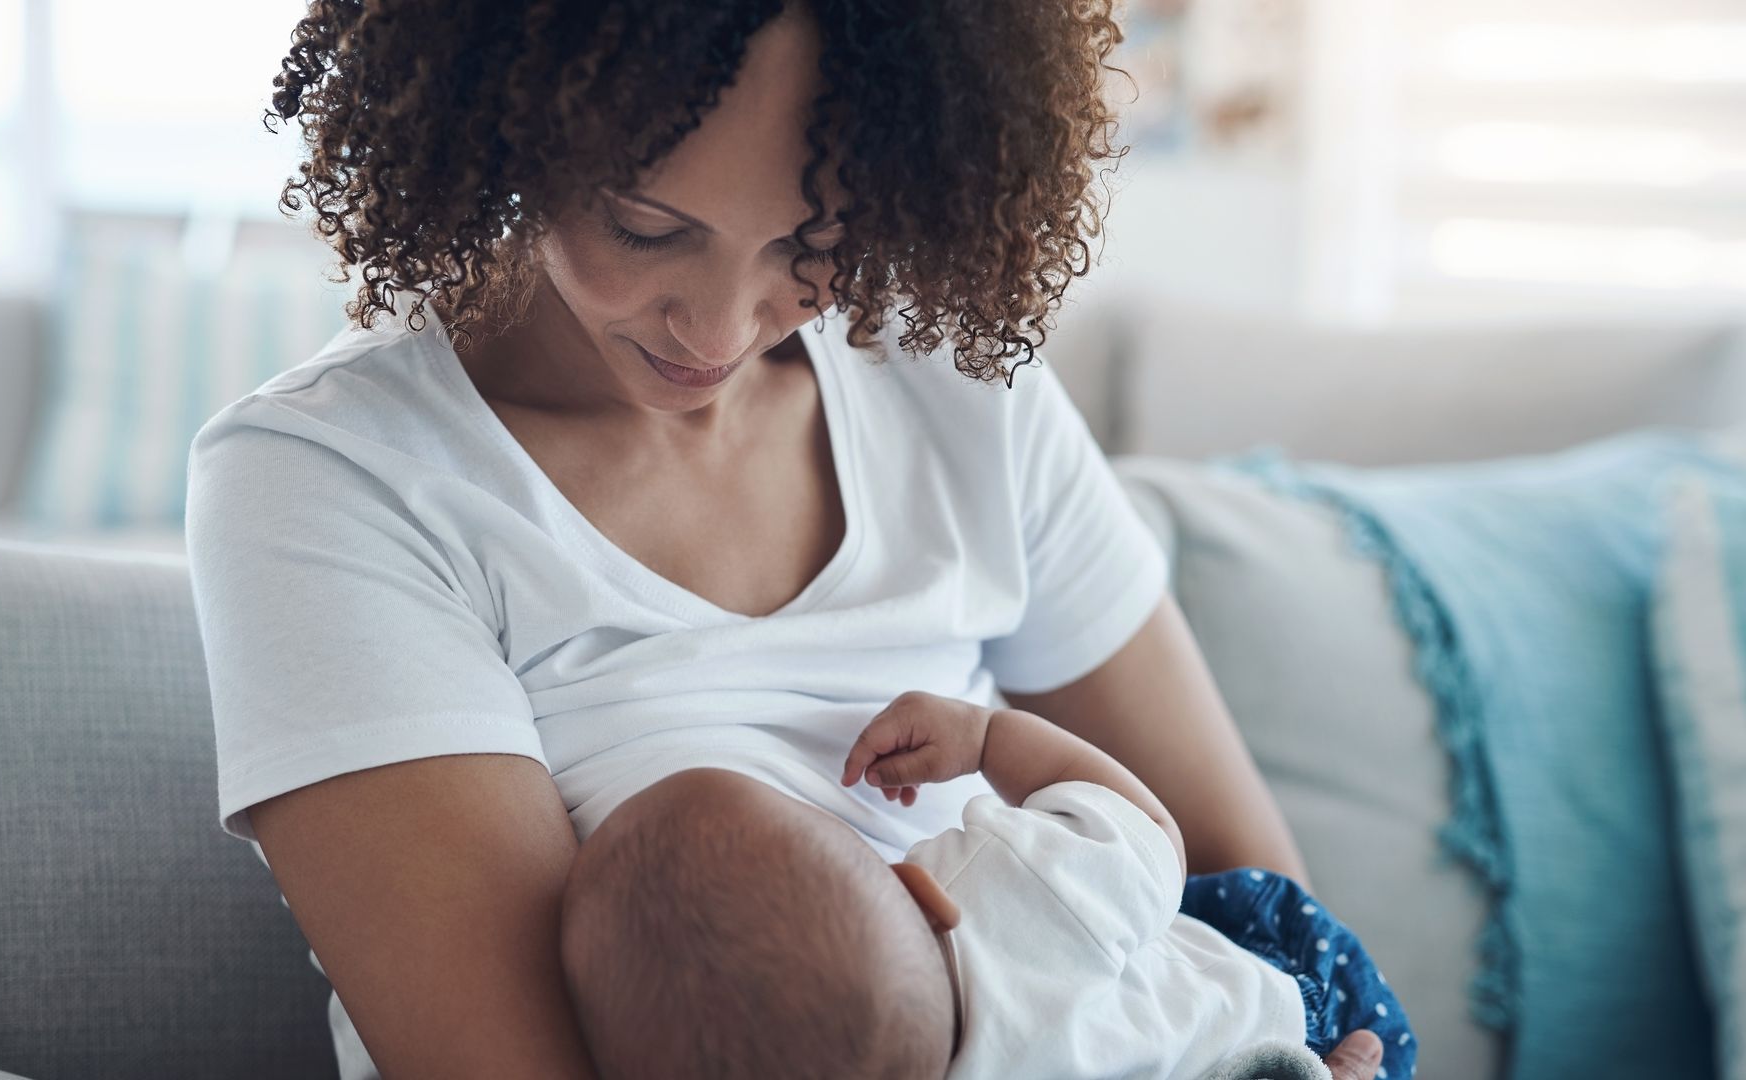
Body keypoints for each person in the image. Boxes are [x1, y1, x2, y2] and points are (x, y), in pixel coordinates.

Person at [183, 1, 1388, 1077]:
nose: (716, 328)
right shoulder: (333, 480)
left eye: (812, 245)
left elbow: (1258, 902)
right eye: (645, 226)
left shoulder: (957, 391)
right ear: (503, 120)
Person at [558, 693, 1417, 1079]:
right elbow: (1150, 834)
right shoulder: (999, 888)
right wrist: (990, 738)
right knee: (1208, 911)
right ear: (921, 894)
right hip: (1301, 1006)